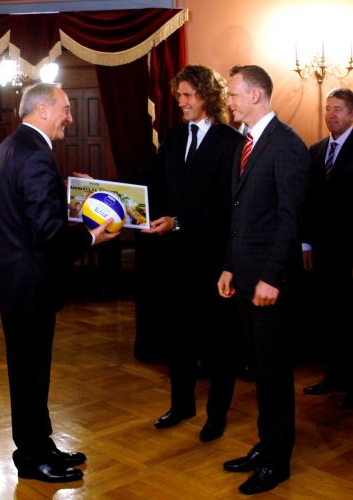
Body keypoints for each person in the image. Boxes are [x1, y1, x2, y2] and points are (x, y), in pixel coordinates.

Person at [0, 83, 118, 483]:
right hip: (29, 287)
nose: (70, 118)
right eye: (65, 109)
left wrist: (65, 197)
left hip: (16, 284)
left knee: (30, 372)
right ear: (43, 110)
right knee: (30, 375)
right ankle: (32, 460)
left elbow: (26, 213)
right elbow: (47, 232)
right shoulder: (36, 156)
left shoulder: (10, 148)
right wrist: (91, 237)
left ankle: (42, 446)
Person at [123, 64, 243, 442]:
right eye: (179, 96)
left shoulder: (232, 142)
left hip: (214, 261)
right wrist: (103, 188)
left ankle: (216, 415)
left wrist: (179, 221)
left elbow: (228, 205)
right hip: (175, 260)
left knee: (218, 343)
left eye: (188, 95)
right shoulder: (174, 137)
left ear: (207, 95)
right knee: (180, 337)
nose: (181, 102)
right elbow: (148, 176)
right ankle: (181, 406)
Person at [217, 65, 309, 495]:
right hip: (244, 277)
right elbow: (239, 216)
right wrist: (229, 266)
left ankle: (277, 462)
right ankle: (265, 445)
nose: (228, 101)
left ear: (255, 95)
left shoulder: (287, 144)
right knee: (258, 368)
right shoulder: (246, 141)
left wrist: (272, 277)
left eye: (233, 94)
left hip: (269, 284)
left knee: (273, 372)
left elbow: (291, 219)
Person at [301, 88, 353, 408]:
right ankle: (333, 377)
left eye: (338, 109)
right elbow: (308, 202)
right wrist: (306, 243)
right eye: (328, 108)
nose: (331, 114)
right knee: (328, 317)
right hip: (322, 253)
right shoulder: (315, 150)